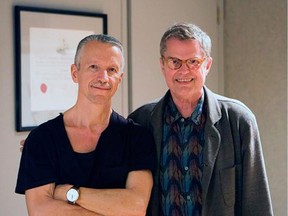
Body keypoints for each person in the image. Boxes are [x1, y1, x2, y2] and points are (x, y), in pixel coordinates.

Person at [128, 23, 274, 216]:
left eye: (193, 62)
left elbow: (257, 204)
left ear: (207, 65)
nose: (184, 71)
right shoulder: (141, 121)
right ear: (163, 65)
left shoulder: (238, 120)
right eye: (175, 62)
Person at [15, 34, 157, 216]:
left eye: (112, 69)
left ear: (120, 78)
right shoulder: (42, 139)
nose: (103, 77)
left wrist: (68, 193)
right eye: (94, 67)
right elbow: (40, 210)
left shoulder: (137, 138)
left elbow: (135, 207)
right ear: (75, 73)